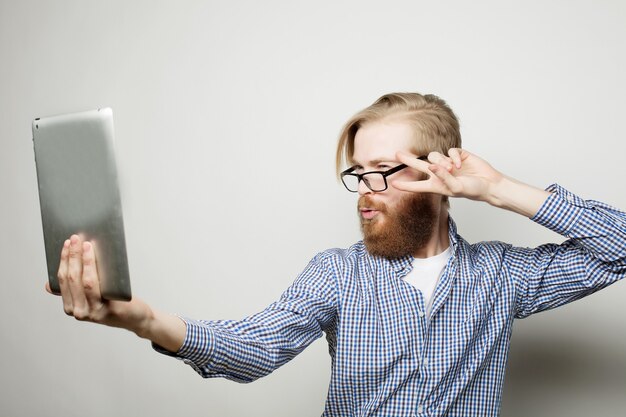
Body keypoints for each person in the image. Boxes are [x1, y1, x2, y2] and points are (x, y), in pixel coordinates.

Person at [48, 92, 626, 417]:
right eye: (358, 174)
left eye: (385, 171)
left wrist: (499, 189)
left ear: (442, 171)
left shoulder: (503, 277)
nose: (366, 192)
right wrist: (140, 319)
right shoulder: (337, 273)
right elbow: (252, 350)